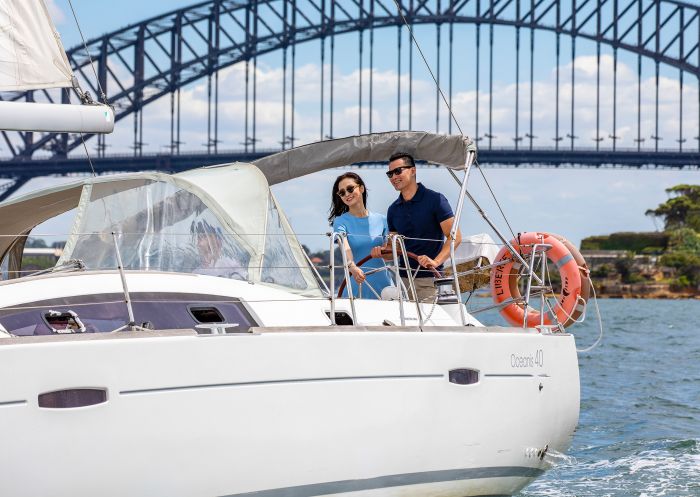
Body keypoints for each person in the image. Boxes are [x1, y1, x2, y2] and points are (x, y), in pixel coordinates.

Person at [371, 152, 461, 302]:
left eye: (398, 171)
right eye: (390, 174)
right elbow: (395, 249)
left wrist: (435, 262)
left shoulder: (436, 200)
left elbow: (455, 237)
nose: (393, 177)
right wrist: (381, 252)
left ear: (413, 170)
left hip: (429, 281)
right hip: (402, 283)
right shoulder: (393, 209)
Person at [329, 172, 393, 299]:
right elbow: (344, 247)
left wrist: (383, 251)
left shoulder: (382, 220)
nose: (347, 194)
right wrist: (352, 267)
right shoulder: (340, 222)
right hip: (356, 282)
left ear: (361, 188)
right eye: (342, 193)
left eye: (350, 189)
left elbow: (390, 255)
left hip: (384, 285)